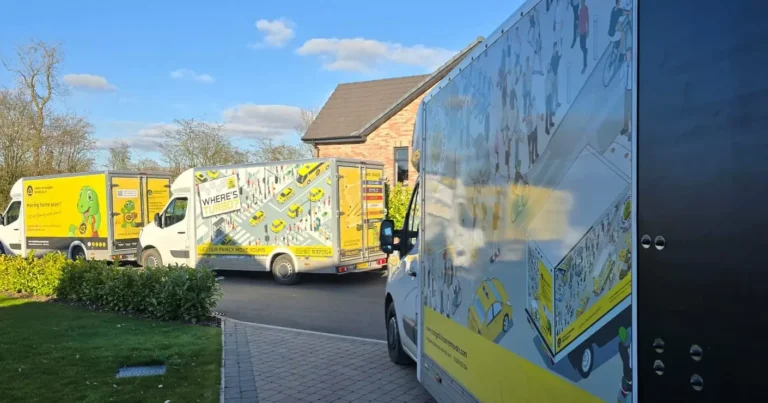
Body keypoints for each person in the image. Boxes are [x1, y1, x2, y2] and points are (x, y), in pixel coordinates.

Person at [620, 49, 633, 138]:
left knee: (632, 111)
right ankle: (625, 127)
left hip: (632, 91)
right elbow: (621, 76)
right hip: (626, 90)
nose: (627, 56)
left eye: (628, 54)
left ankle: (633, 131)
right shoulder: (625, 65)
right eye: (626, 54)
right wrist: (623, 65)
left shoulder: (634, 66)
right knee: (626, 110)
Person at [579, 0, 590, 74]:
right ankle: (585, 51)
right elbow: (579, 20)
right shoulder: (580, 9)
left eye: (582, 2)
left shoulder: (585, 9)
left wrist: (588, 30)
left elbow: (588, 20)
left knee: (583, 47)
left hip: (584, 31)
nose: (581, 3)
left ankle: (585, 65)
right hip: (580, 30)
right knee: (581, 46)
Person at [550, 42, 562, 109]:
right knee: (553, 91)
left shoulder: (557, 54)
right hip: (553, 76)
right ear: (553, 48)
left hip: (555, 75)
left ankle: (556, 103)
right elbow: (551, 67)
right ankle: (551, 106)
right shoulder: (553, 56)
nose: (555, 48)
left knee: (556, 90)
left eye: (556, 47)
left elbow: (560, 54)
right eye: (555, 47)